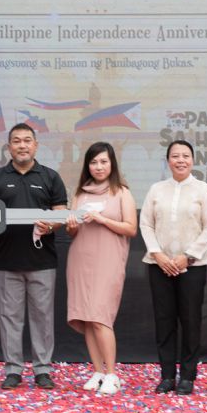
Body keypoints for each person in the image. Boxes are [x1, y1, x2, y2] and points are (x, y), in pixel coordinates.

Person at [0, 123, 68, 390]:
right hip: (7, 260)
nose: (22, 145)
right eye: (16, 141)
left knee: (43, 316)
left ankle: (42, 369)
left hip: (43, 260)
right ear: (9, 146)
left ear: (36, 145)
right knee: (10, 317)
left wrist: (51, 225)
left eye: (27, 141)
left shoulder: (50, 177)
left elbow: (61, 213)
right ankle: (13, 369)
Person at [140, 140, 207, 395]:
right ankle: (166, 376)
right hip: (158, 265)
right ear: (168, 160)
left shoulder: (203, 190)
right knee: (164, 321)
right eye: (175, 156)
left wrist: (189, 256)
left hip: (192, 266)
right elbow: (146, 225)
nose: (181, 160)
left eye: (186, 155)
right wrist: (158, 255)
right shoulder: (156, 189)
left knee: (190, 320)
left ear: (193, 160)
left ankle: (187, 376)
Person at [65, 142, 137, 395]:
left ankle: (112, 375)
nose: (98, 167)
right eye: (94, 162)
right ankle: (97, 371)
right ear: (87, 166)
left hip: (108, 260)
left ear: (112, 164)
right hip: (80, 259)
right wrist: (72, 223)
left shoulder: (122, 192)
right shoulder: (80, 194)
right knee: (86, 317)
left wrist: (102, 219)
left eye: (103, 162)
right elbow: (72, 232)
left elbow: (131, 228)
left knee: (100, 316)